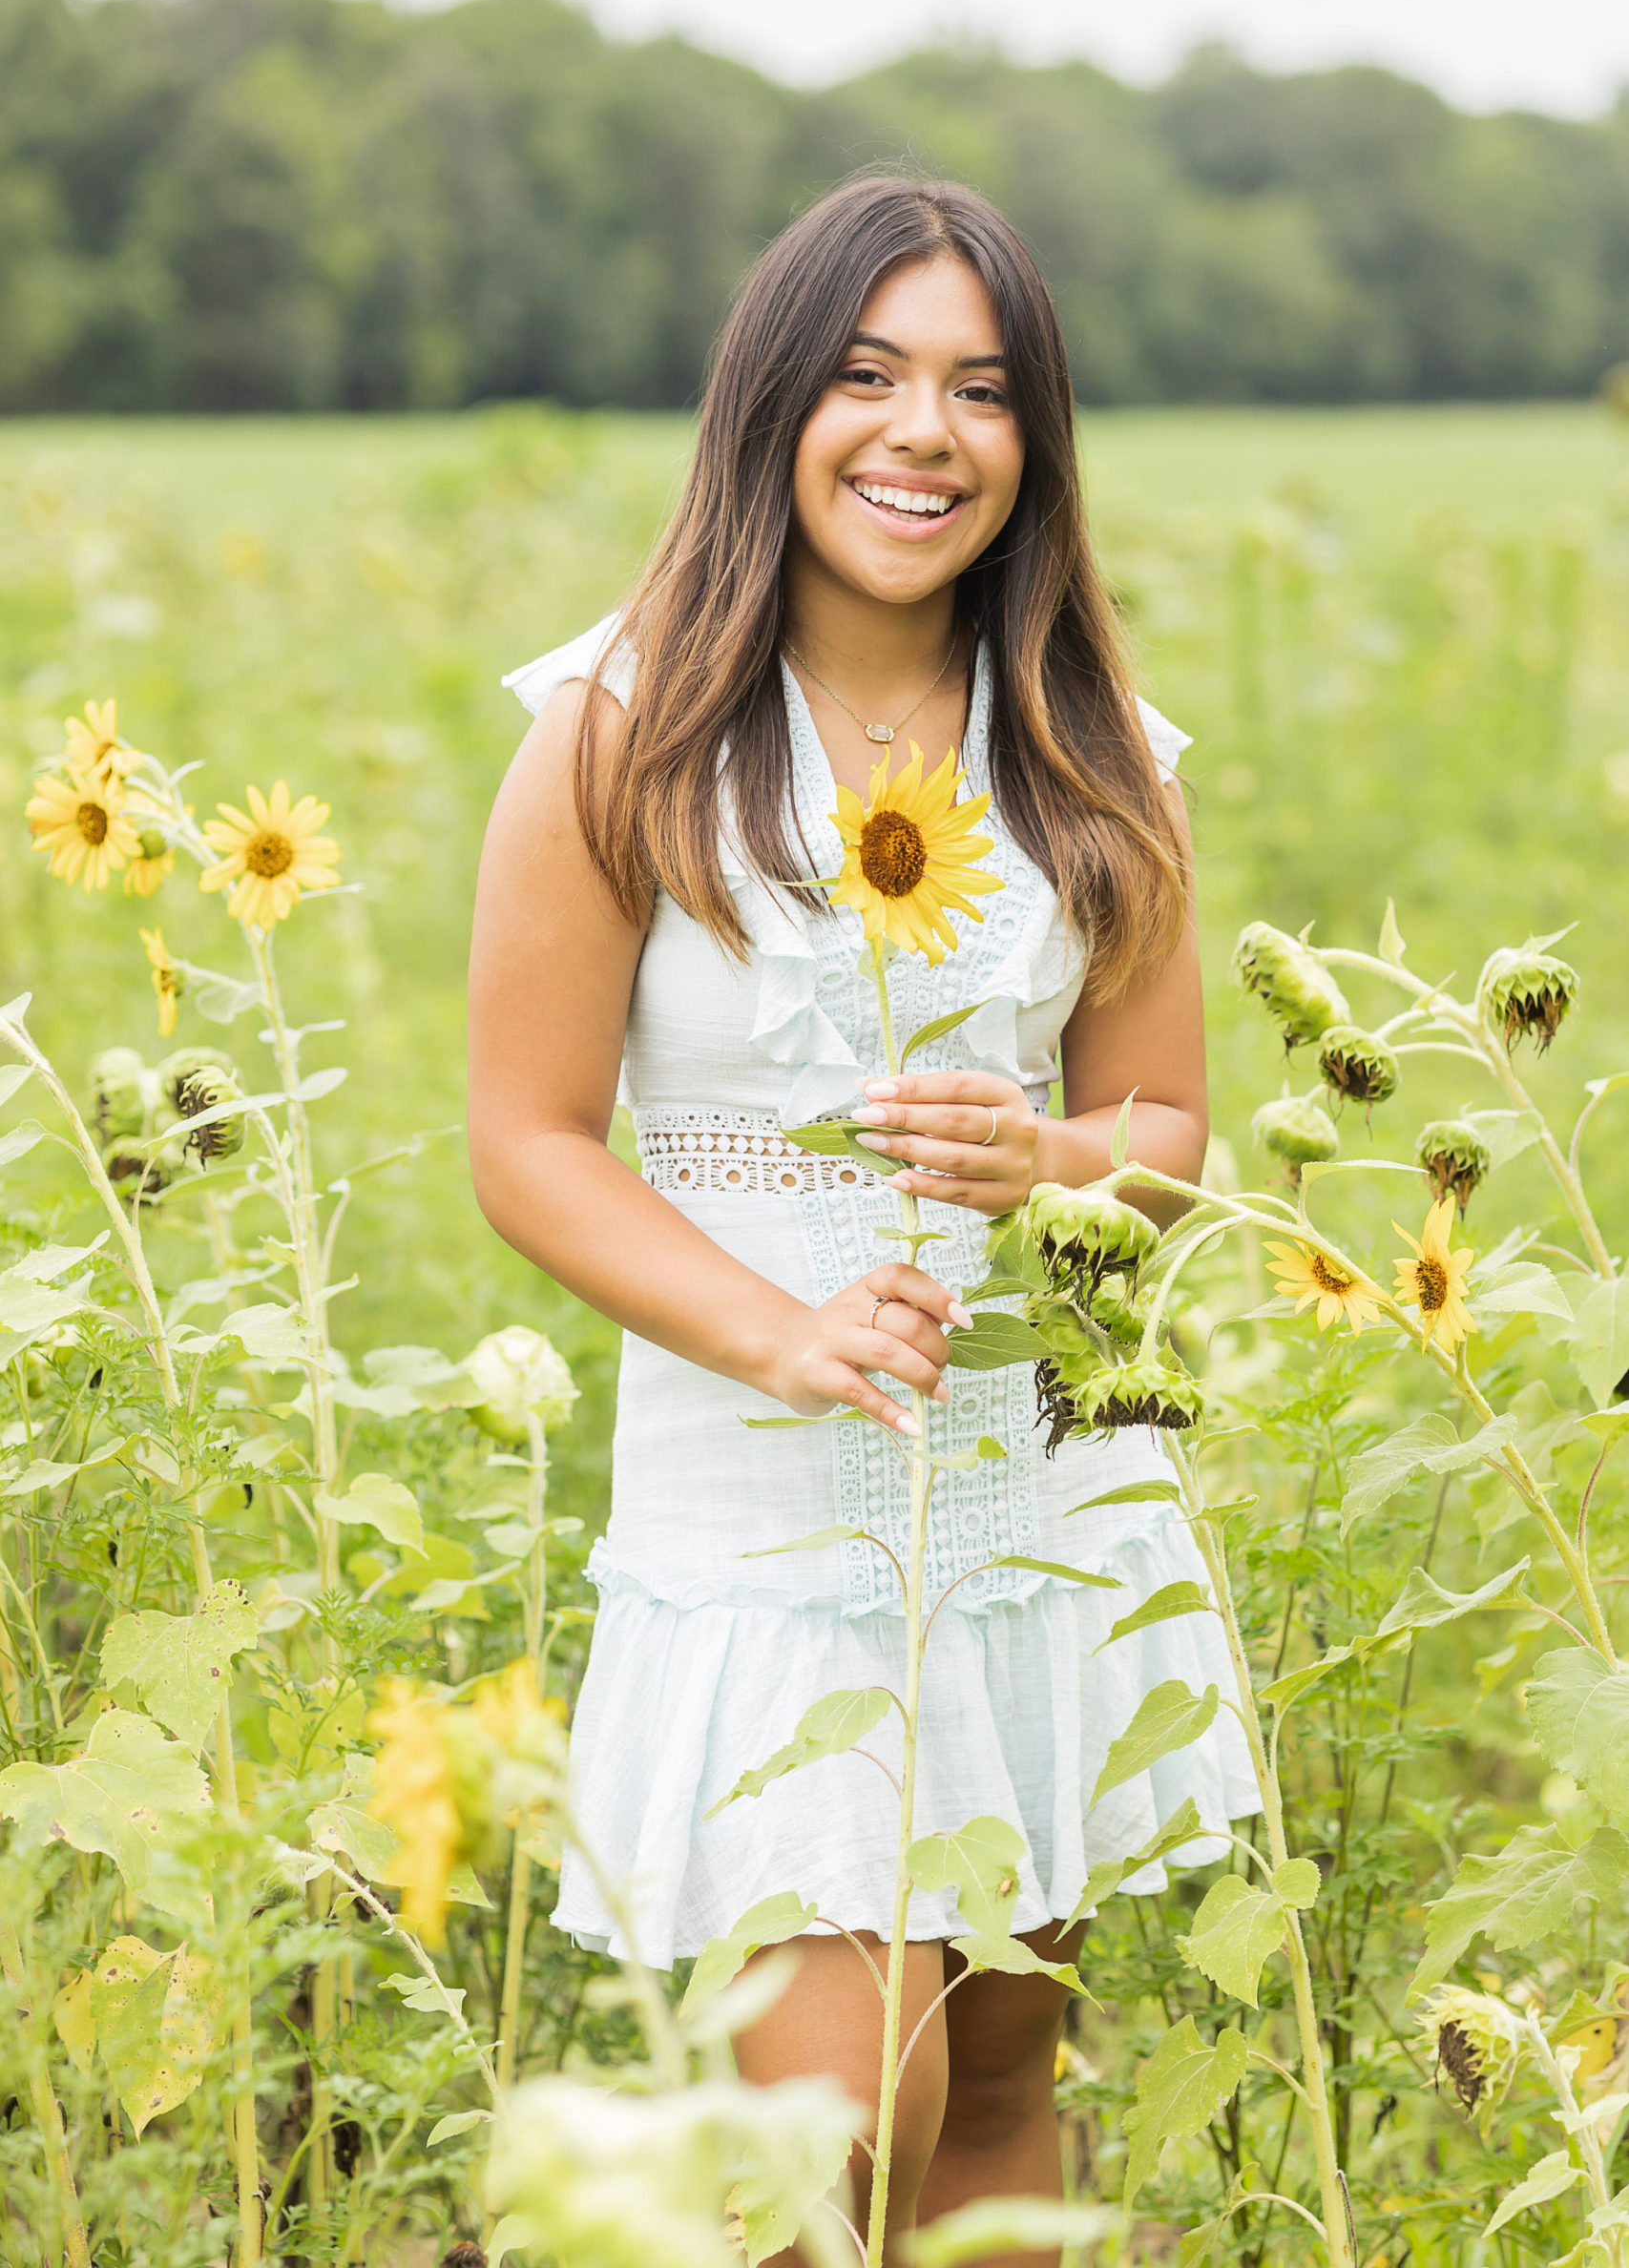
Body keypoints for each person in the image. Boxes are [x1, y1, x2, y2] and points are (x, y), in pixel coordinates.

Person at [469, 176, 1254, 2264]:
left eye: (982, 391)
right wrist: (773, 1329)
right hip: (764, 1502)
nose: (925, 431)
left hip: (1026, 1485)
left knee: (999, 2070)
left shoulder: (1093, 755)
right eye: (868, 373)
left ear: (1033, 446)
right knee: (833, 2117)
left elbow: (1164, 1121)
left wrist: (1055, 1165)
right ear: (769, 406)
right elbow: (527, 1137)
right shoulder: (619, 734)